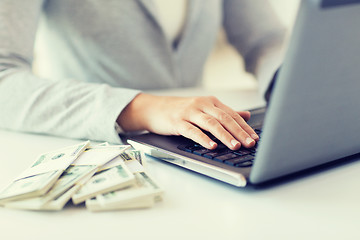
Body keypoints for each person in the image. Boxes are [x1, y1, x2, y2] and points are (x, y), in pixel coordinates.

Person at [0, 0, 285, 150]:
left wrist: (293, 83)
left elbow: (264, 39)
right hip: (95, 152)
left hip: (198, 148)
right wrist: (142, 107)